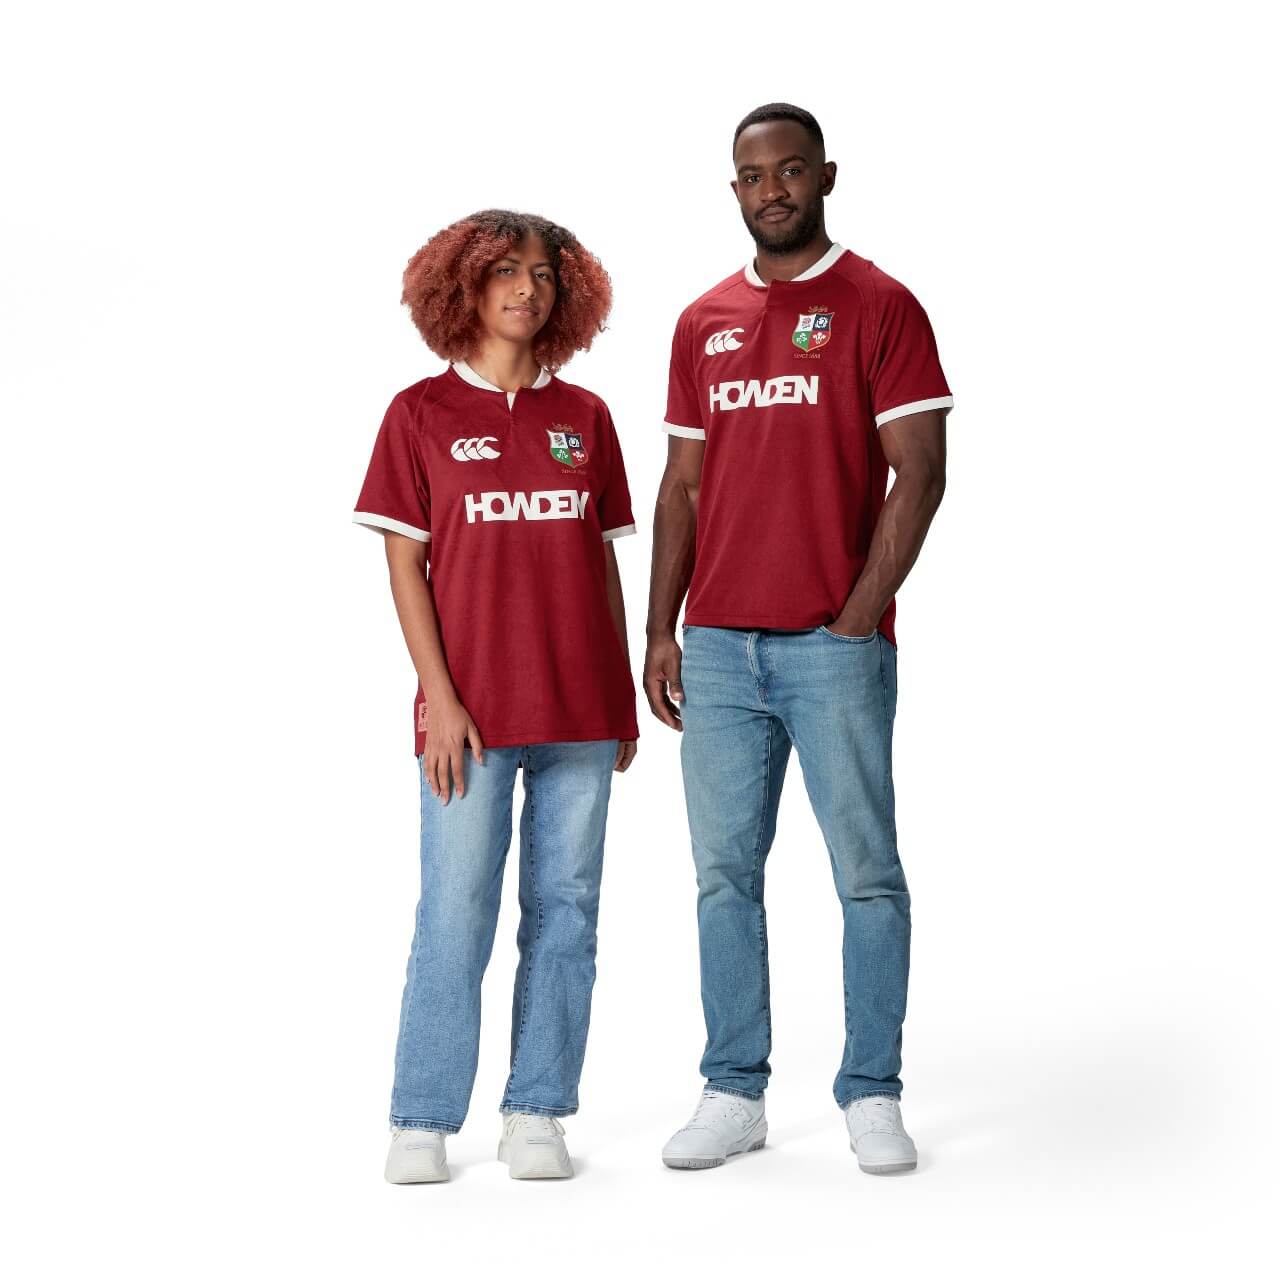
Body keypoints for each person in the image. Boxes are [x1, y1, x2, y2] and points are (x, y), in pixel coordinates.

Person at [645, 104, 952, 1174]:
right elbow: (680, 485)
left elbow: (920, 468)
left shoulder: (880, 306)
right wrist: (660, 628)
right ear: (732, 189)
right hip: (719, 647)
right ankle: (734, 1088)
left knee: (865, 872)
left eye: (786, 169)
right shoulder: (700, 321)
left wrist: (858, 612)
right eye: (749, 173)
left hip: (833, 646)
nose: (769, 187)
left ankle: (871, 1089)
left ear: (823, 174)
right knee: (722, 875)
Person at [352, 210, 639, 1183]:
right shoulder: (419, 414)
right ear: (463, 286)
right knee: (454, 909)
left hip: (580, 718)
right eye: (506, 271)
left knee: (567, 912)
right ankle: (422, 1114)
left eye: (544, 275)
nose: (527, 288)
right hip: (468, 720)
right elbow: (405, 569)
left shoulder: (587, 420)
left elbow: (602, 571)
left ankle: (536, 1110)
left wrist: (622, 704)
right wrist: (440, 697)